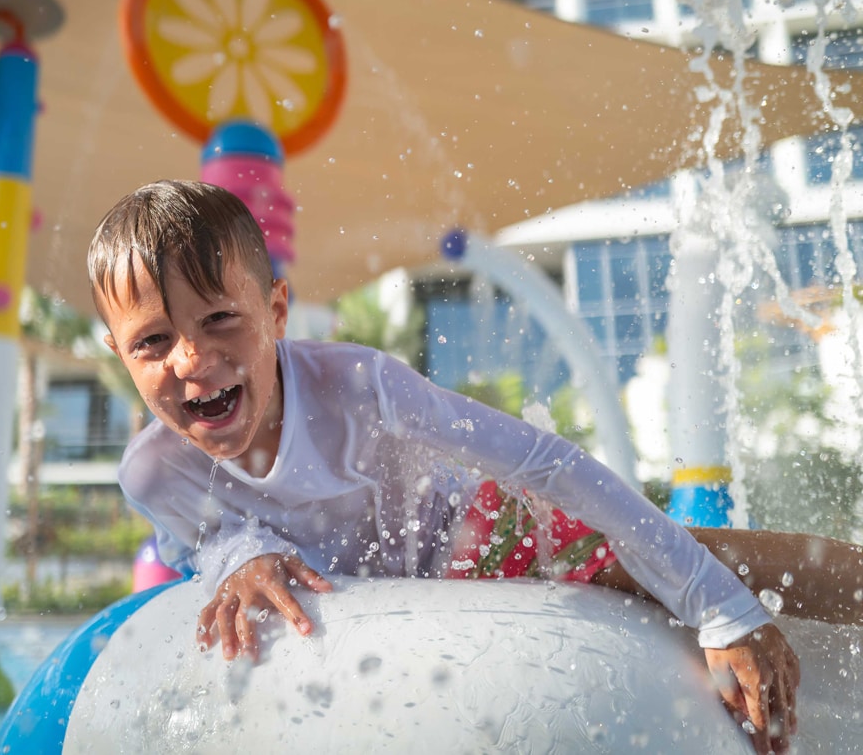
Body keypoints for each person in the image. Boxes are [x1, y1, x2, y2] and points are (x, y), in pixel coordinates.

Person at [88, 179, 863, 755]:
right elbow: (198, 547)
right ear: (118, 352)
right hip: (383, 624)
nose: (192, 358)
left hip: (473, 535)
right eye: (152, 341)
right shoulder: (152, 474)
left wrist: (720, 606)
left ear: (277, 312)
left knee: (682, 561)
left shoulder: (359, 387)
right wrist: (242, 554)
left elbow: (546, 463)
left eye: (221, 319)